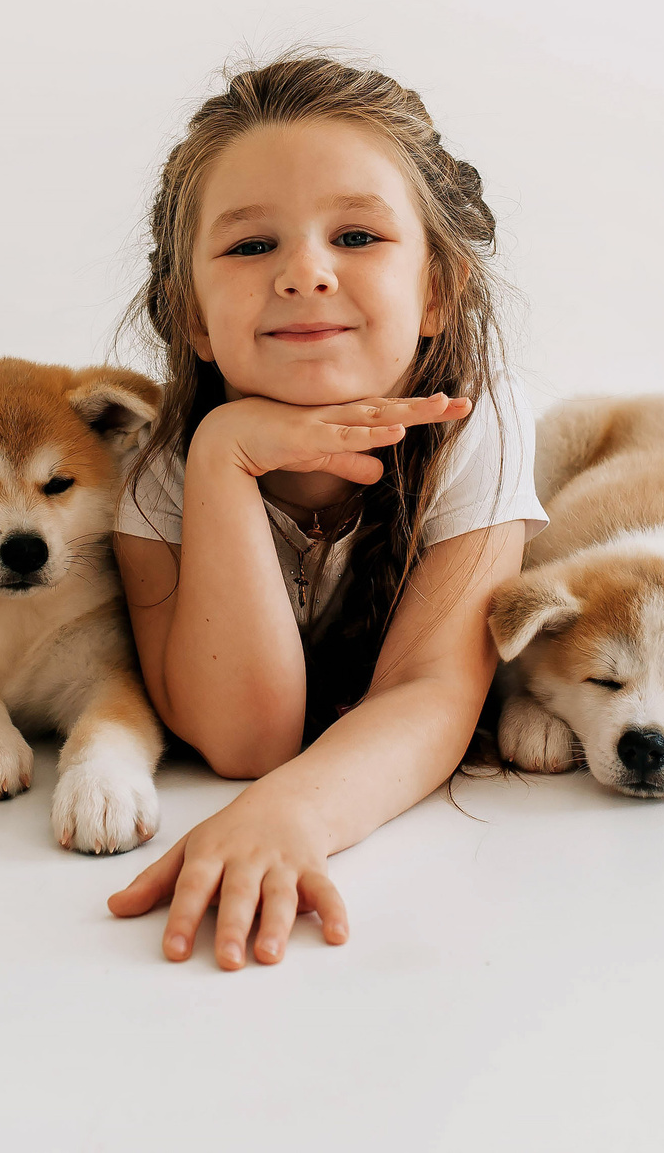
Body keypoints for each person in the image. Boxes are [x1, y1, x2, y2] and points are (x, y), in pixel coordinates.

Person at [106, 51, 546, 969]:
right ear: (191, 316)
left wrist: (294, 811)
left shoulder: (475, 424)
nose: (305, 272)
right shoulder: (151, 463)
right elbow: (244, 738)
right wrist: (224, 455)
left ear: (436, 290)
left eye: (356, 236)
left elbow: (433, 689)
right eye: (251, 244)